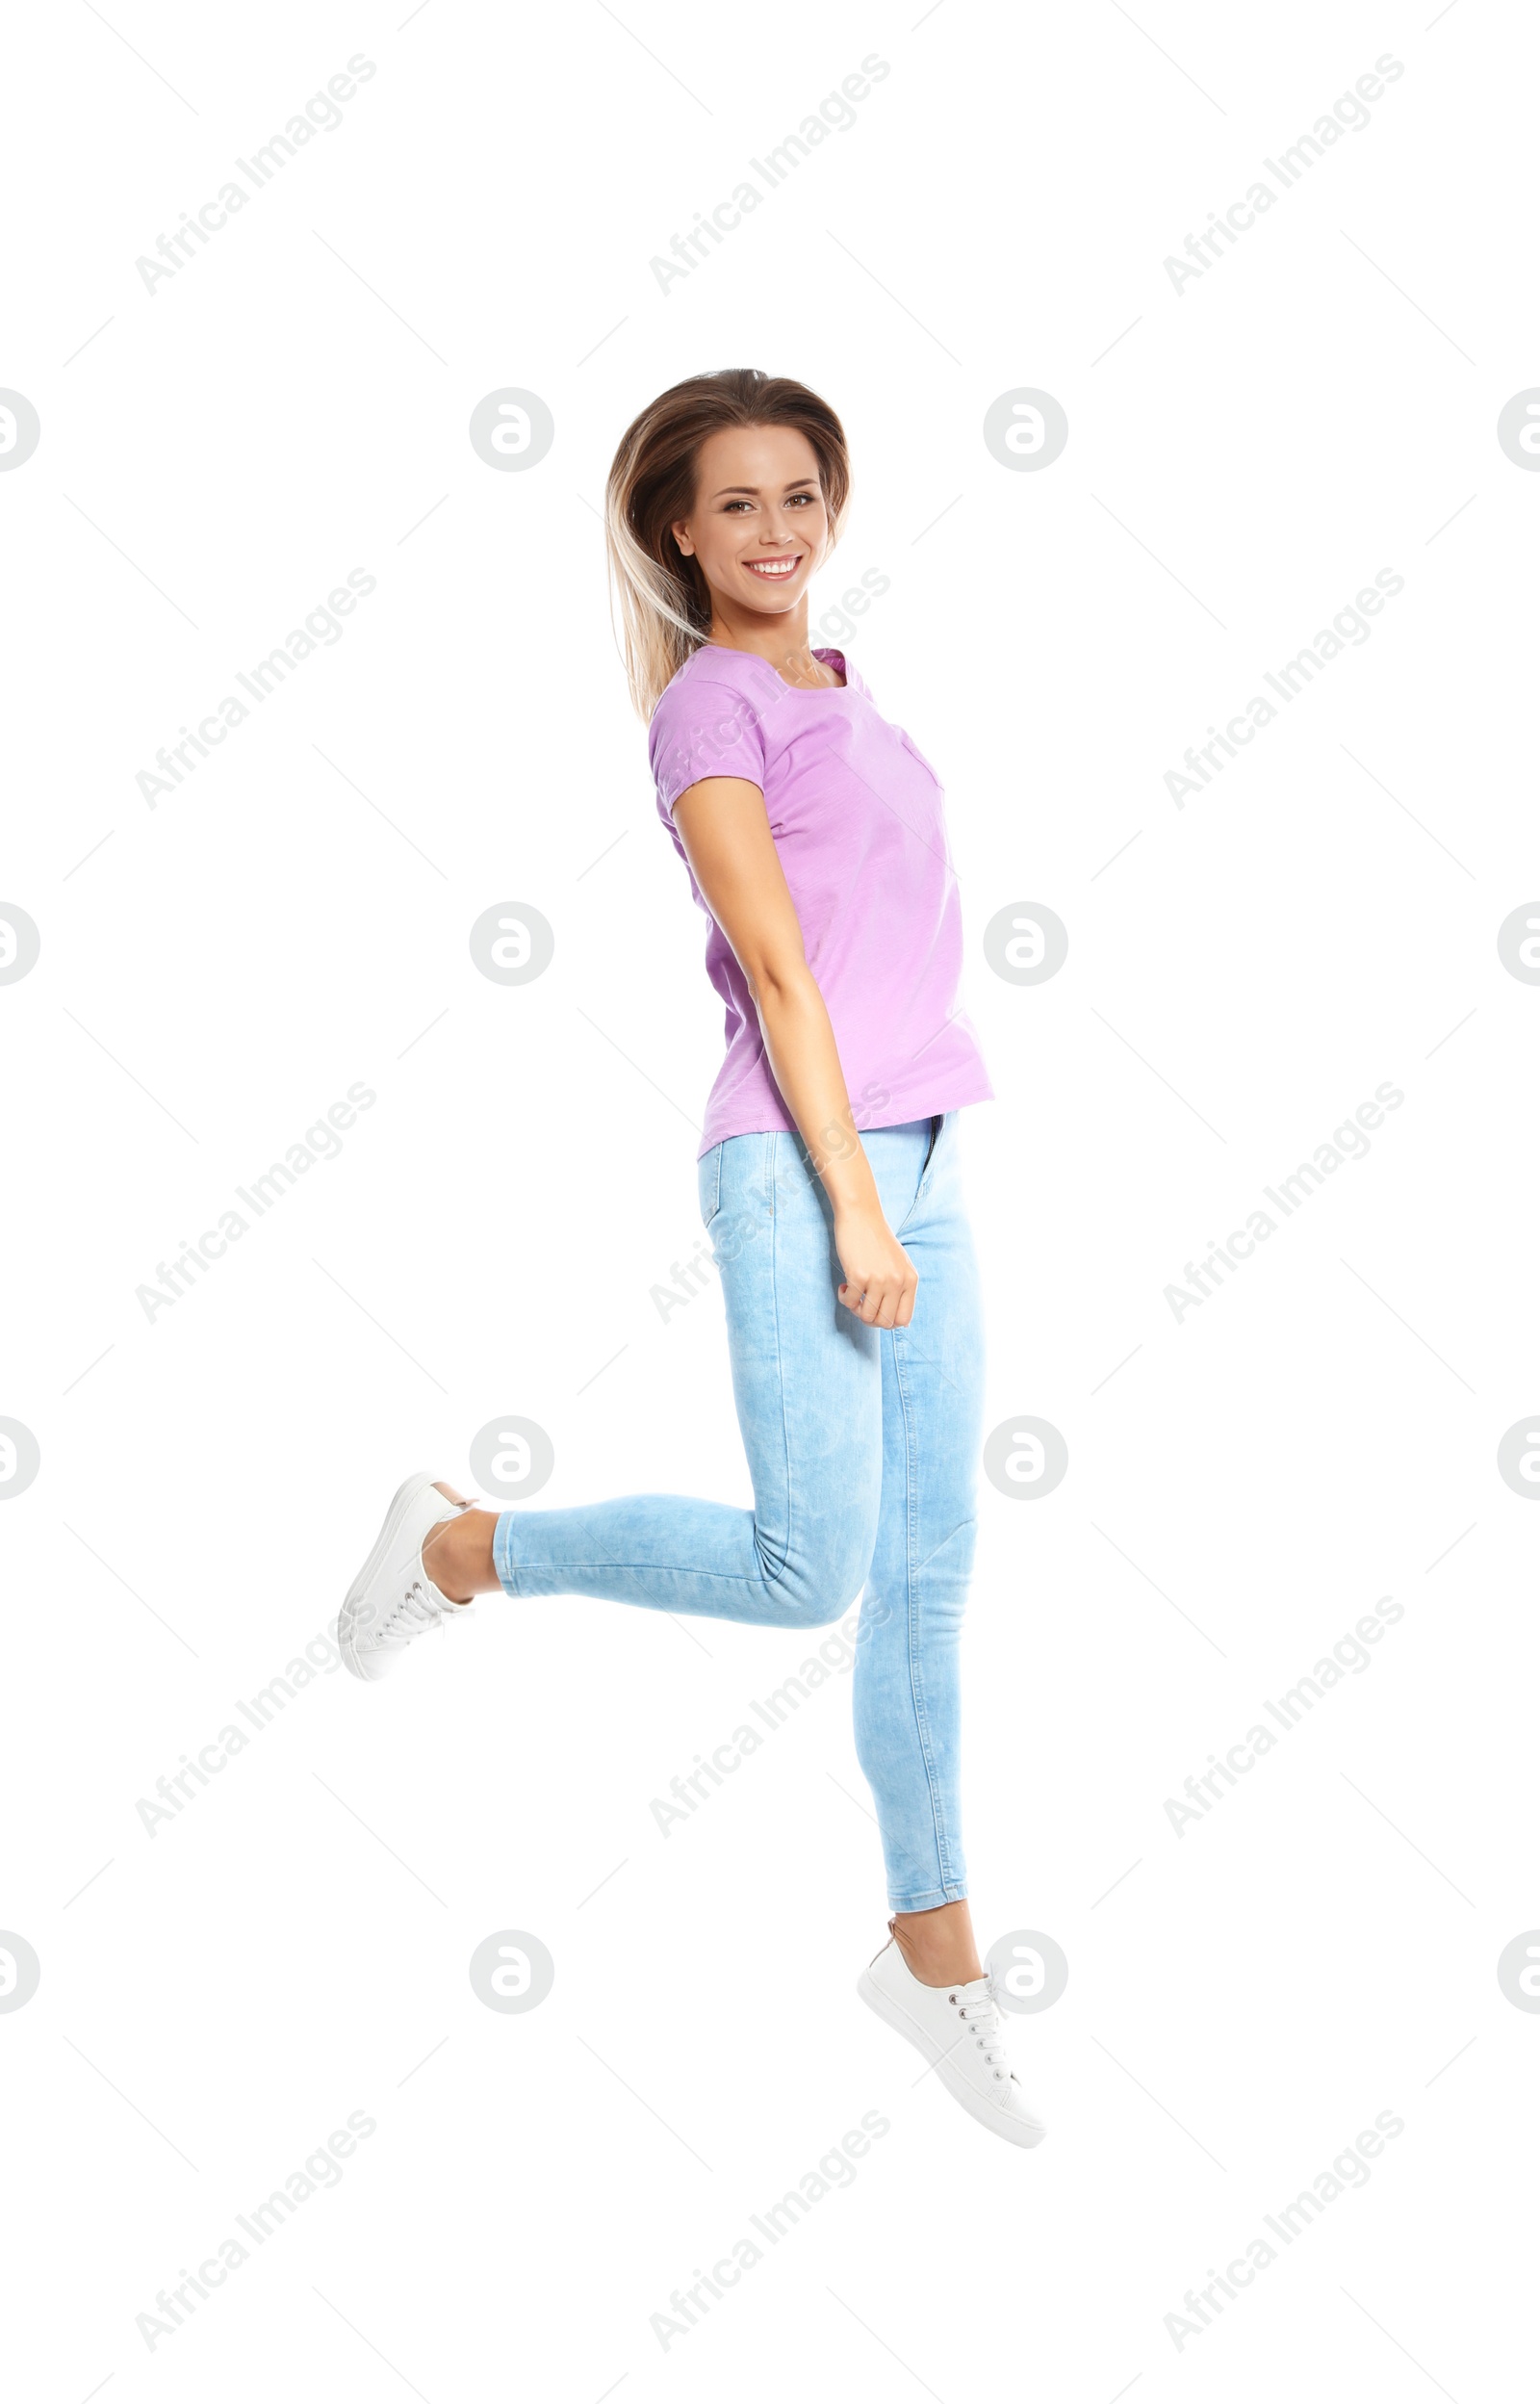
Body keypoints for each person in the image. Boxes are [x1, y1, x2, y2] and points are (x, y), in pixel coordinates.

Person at [335, 369, 1044, 2148]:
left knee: (927, 1571)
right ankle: (456, 1543)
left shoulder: (846, 693)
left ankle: (934, 1952)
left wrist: (910, 1185)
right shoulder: (712, 712)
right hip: (807, 1162)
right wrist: (856, 1209)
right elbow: (787, 974)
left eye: (799, 494)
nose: (777, 531)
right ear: (677, 531)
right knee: (815, 1567)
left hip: (930, 1145)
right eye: (736, 504)